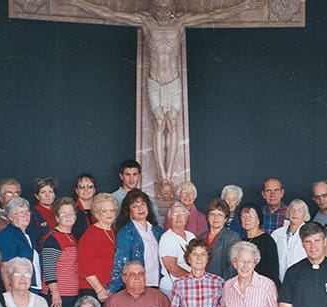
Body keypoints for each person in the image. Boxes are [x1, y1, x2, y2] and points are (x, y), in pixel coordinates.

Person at [68, 0, 261, 183]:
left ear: (171, 7)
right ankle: (163, 175)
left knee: (173, 122)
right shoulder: (146, 21)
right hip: (155, 81)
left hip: (173, 81)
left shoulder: (180, 22)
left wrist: (242, 5)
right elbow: (110, 13)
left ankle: (168, 174)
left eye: (166, 6)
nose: (162, 10)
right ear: (153, 7)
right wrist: (78, 3)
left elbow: (214, 14)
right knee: (160, 122)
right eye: (159, 6)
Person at [40, 197, 80, 307]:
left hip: (69, 294)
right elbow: (49, 266)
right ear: (56, 217)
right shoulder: (53, 238)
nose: (68, 216)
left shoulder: (69, 236)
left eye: (71, 213)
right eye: (63, 214)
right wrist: (55, 294)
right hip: (58, 296)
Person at [109, 189, 163, 293]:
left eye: (143, 204)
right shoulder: (125, 232)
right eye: (135, 206)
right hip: (136, 286)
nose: (140, 208)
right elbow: (121, 264)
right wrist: (113, 288)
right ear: (129, 212)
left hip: (157, 285)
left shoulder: (157, 231)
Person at [0, 197, 42, 293]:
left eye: (27, 212)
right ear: (10, 217)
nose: (26, 215)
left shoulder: (27, 235)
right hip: (18, 289)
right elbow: (5, 265)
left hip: (30, 286)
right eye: (21, 213)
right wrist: (10, 294)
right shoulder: (7, 235)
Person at [77, 193, 118, 301]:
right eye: (104, 211)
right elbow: (85, 267)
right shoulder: (91, 234)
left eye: (112, 210)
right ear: (96, 214)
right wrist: (99, 289)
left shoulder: (113, 231)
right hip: (93, 289)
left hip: (110, 289)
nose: (109, 213)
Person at [159, 202, 195, 297]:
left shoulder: (191, 236)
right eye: (175, 215)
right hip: (173, 288)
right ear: (170, 219)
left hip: (189, 286)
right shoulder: (167, 238)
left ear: (187, 218)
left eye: (182, 214)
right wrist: (193, 278)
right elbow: (172, 267)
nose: (179, 217)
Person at [240, 203, 280, 287]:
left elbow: (272, 272)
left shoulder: (267, 241)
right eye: (243, 217)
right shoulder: (241, 241)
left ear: (258, 220)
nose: (246, 220)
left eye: (250, 217)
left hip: (263, 287)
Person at [201, 198, 241, 280]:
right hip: (202, 284)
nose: (216, 218)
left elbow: (232, 267)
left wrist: (222, 285)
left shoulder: (232, 237)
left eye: (220, 215)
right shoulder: (201, 237)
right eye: (212, 214)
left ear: (225, 219)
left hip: (221, 285)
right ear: (207, 217)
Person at [112, 159, 160, 224]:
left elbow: (157, 223)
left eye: (134, 174)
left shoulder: (149, 199)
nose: (131, 178)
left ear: (139, 176)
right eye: (127, 174)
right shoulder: (112, 199)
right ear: (121, 176)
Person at [272, 199, 309, 283]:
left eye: (299, 211)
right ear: (288, 213)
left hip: (303, 280)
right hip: (280, 280)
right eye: (292, 210)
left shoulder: (310, 234)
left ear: (305, 215)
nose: (295, 213)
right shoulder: (277, 234)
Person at [72, 173, 98, 240]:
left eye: (90, 186)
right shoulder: (71, 210)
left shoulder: (101, 209)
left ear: (94, 190)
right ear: (77, 191)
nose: (86, 189)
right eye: (81, 187)